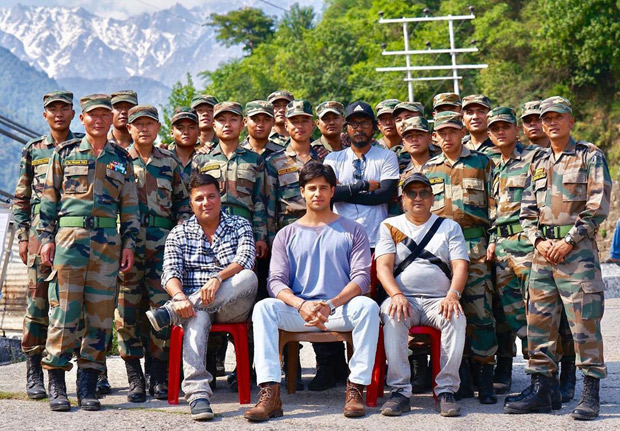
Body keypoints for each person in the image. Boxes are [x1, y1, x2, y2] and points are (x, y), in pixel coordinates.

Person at [244, 162, 379, 421]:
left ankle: (356, 388)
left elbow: (362, 279)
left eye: (323, 188)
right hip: (300, 310)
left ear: (333, 191)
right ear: (303, 192)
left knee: (369, 307)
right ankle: (270, 393)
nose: (318, 193)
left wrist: (331, 303)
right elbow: (275, 281)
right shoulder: (286, 234)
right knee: (264, 308)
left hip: (339, 309)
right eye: (312, 188)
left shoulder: (353, 230)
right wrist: (300, 304)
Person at [506, 97, 611, 420]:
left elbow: (598, 205)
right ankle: (542, 389)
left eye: (557, 117)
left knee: (583, 323)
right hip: (542, 253)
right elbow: (525, 209)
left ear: (571, 121)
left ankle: (590, 392)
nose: (550, 123)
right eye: (545, 118)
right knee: (538, 321)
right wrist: (537, 240)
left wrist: (567, 241)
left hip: (576, 253)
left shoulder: (589, 156)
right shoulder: (537, 161)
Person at [37, 94, 140, 412]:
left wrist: (130, 244)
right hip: (69, 241)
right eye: (91, 115)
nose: (97, 120)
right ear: (82, 119)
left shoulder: (121, 158)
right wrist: (46, 238)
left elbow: (131, 208)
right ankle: (56, 382)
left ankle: (87, 386)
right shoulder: (65, 153)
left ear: (111, 119)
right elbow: (48, 198)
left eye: (103, 115)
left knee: (100, 318)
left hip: (107, 245)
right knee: (64, 314)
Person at [146, 173, 258, 421]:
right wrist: (178, 296)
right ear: (191, 203)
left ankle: (171, 312)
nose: (206, 202)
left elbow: (245, 259)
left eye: (211, 196)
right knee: (195, 318)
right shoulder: (179, 233)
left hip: (233, 304)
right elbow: (170, 274)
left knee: (248, 277)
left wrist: (217, 278)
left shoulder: (240, 225)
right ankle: (198, 396)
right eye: (199, 198)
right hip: (196, 309)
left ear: (220, 197)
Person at [114, 105, 191, 402]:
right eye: (138, 124)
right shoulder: (119, 161)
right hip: (128, 245)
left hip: (162, 246)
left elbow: (183, 202)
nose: (143, 129)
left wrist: (183, 222)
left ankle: (158, 376)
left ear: (158, 128)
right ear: (129, 129)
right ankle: (134, 377)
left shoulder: (169, 162)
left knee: (162, 309)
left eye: (149, 124)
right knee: (127, 311)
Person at [377, 173, 468, 417]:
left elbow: (460, 266)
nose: (418, 198)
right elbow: (383, 267)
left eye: (424, 193)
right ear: (402, 199)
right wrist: (395, 295)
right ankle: (400, 392)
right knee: (392, 315)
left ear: (432, 198)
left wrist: (453, 294)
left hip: (439, 301)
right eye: (411, 193)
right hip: (403, 298)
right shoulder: (390, 225)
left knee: (456, 317)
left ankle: (446, 390)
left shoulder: (449, 227)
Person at [422, 111, 497, 405]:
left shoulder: (481, 163)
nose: (447, 137)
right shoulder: (429, 169)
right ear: (435, 137)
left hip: (475, 244)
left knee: (480, 312)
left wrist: (494, 241)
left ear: (462, 132)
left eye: (452, 131)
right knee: (449, 312)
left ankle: (486, 378)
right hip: (440, 250)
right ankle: (461, 376)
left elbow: (496, 205)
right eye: (441, 133)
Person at [266, 100, 338, 392]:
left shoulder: (328, 159)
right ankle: (286, 369)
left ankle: (328, 367)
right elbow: (268, 203)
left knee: (323, 291)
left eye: (305, 121)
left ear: (313, 125)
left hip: (323, 230)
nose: (299, 126)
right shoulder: (275, 162)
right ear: (286, 125)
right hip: (287, 232)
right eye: (293, 121)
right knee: (288, 297)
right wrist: (268, 239)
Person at [12, 91, 81, 400]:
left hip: (72, 234)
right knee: (38, 303)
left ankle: (74, 373)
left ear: (72, 112)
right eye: (52, 110)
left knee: (70, 306)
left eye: (63, 109)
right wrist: (24, 237)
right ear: (44, 115)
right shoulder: (34, 150)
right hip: (41, 237)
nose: (58, 114)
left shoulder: (82, 147)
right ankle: (33, 371)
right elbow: (22, 198)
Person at [485, 107, 539, 394]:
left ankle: (542, 379)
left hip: (527, 248)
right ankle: (534, 377)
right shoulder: (495, 167)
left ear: (515, 130)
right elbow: (495, 211)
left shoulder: (532, 159)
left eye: (505, 126)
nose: (500, 132)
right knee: (514, 316)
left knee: (537, 315)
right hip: (504, 251)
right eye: (495, 129)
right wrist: (493, 239)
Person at [325, 101, 399, 249]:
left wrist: (344, 192)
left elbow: (384, 195)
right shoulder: (333, 158)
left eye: (364, 123)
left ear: (373, 127)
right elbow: (328, 194)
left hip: (376, 239)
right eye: (354, 124)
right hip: (340, 237)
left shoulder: (387, 156)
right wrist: (364, 185)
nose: (359, 128)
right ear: (346, 128)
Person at [462, 94, 501, 164]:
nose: (475, 117)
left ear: (490, 116)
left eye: (481, 111)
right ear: (462, 120)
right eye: (469, 112)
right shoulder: (458, 147)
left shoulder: (502, 144)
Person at [169, 107, 200, 190]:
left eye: (191, 127)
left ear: (199, 131)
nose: (186, 132)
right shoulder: (163, 159)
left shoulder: (205, 159)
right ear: (172, 133)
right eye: (180, 128)